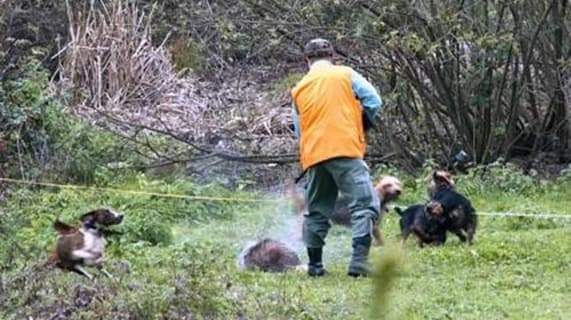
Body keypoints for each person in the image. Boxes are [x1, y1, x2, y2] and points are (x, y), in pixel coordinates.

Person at [291, 38, 383, 277]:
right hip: (345, 150)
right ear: (332, 57)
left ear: (306, 61)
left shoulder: (299, 88)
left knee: (317, 210)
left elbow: (299, 130)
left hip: (314, 156)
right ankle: (359, 263)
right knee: (364, 205)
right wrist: (360, 126)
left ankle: (315, 266)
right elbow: (374, 101)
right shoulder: (345, 74)